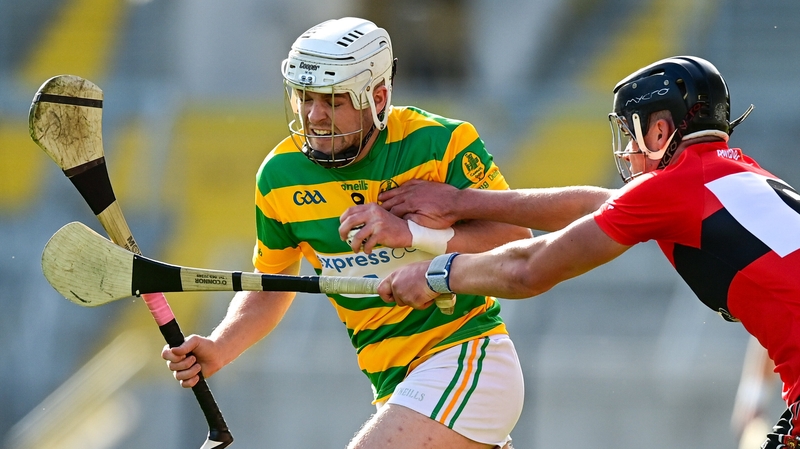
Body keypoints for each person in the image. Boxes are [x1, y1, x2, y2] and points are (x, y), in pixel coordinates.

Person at [377, 55, 800, 449]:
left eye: (631, 134)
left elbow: (528, 269)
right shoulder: (736, 172)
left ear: (659, 132)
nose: (628, 152)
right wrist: (461, 202)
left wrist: (437, 274)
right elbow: (592, 204)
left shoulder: (672, 189)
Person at [161, 17, 532, 449]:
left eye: (332, 101)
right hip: (392, 384)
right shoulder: (279, 177)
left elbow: (517, 242)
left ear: (376, 97)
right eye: (304, 98)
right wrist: (221, 346)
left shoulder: (440, 144)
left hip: (467, 356)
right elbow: (272, 283)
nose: (313, 116)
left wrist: (411, 234)